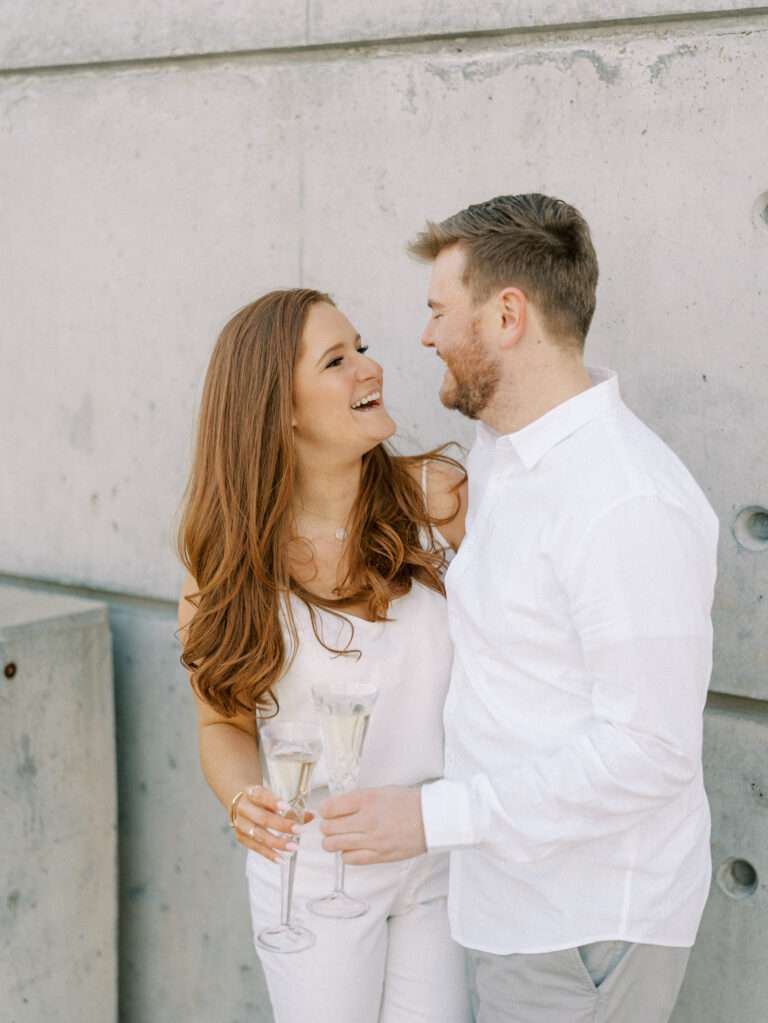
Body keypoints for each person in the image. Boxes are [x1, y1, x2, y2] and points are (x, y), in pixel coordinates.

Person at [320, 194, 719, 1023]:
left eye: (438, 310)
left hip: (584, 928)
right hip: (518, 908)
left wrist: (431, 815)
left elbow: (649, 750)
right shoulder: (506, 456)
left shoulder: (622, 500)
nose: (424, 335)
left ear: (507, 314)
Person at [175, 288, 471, 1023]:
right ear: (284, 410)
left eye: (361, 347)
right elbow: (222, 726)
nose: (368, 368)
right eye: (336, 360)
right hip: (311, 875)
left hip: (437, 858)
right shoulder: (226, 562)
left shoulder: (440, 501)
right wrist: (243, 798)